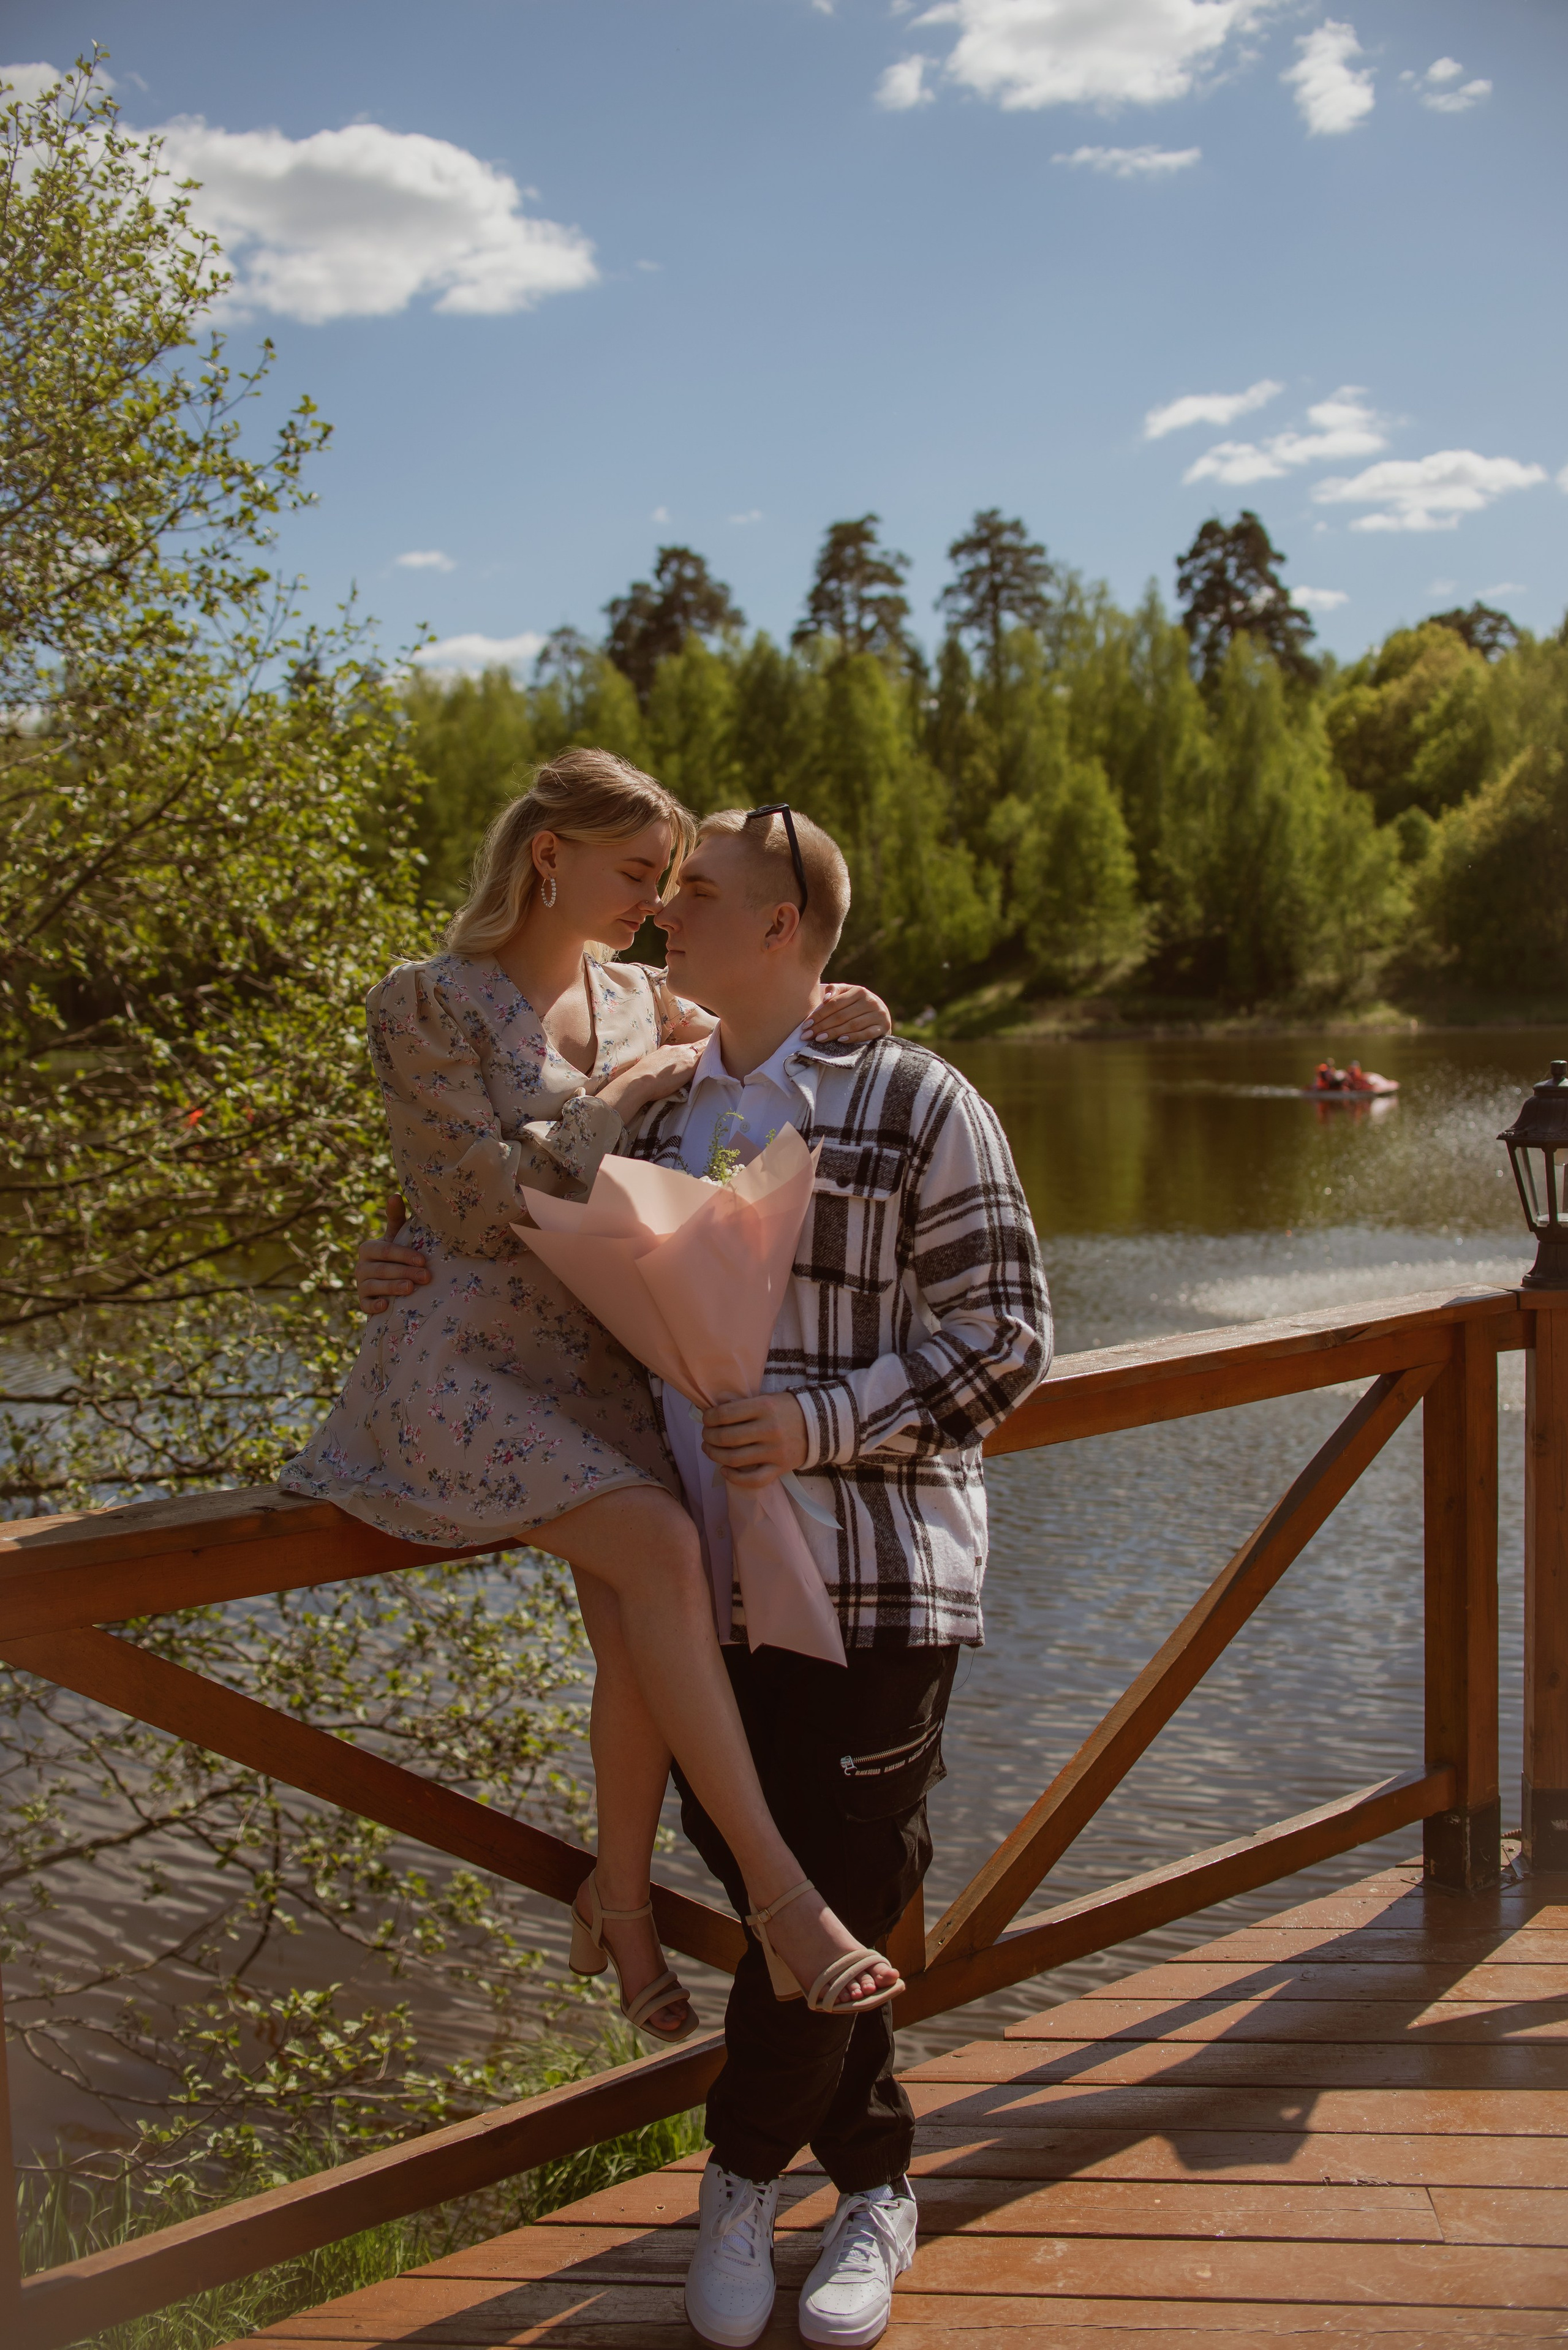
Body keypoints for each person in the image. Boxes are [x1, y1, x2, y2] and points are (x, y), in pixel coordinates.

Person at [360, 801, 1053, 2349]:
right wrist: (393, 1253)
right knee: (780, 1884)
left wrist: (815, 1422)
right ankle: (875, 2174)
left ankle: (741, 2173)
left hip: (873, 1569)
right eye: (662, 890)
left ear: (785, 931)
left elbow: (1008, 1335)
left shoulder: (919, 1097)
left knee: (843, 1876)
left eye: (705, 894)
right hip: (703, 1587)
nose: (670, 914)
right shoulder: (657, 1113)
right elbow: (519, 1233)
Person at [287, 748, 899, 2051]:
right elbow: (467, 1207)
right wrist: (619, 1099)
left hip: (597, 1367)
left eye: (671, 882)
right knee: (667, 1549)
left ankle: (617, 1902)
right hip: (458, 1368)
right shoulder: (426, 1001)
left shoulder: (645, 998)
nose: (657, 902)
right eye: (636, 874)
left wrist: (842, 1004)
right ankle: (783, 1901)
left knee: (633, 1633)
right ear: (548, 851)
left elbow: (765, 1022)